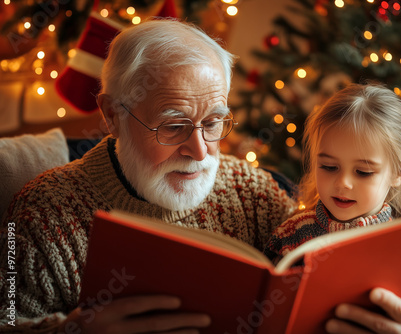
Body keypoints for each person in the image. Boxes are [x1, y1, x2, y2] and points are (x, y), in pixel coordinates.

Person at [0, 19, 297, 333]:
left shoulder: (255, 194)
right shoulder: (42, 211)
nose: (199, 152)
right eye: (172, 126)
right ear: (113, 116)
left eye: (212, 123)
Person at [264, 83, 401, 334]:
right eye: (329, 167)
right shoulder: (291, 234)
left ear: (400, 172)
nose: (343, 183)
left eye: (363, 172)